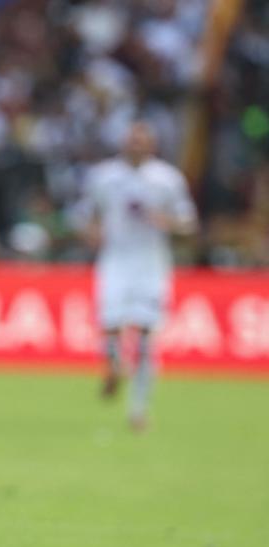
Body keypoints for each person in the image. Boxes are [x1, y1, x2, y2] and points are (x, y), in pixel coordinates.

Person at [79, 121, 198, 430]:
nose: (136, 144)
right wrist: (91, 231)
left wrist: (167, 221)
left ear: (152, 145)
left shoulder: (167, 179)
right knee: (111, 328)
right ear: (123, 143)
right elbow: (86, 214)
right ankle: (114, 365)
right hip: (115, 261)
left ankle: (138, 410)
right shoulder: (104, 176)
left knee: (146, 336)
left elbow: (188, 223)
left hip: (152, 265)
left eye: (141, 140)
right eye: (132, 139)